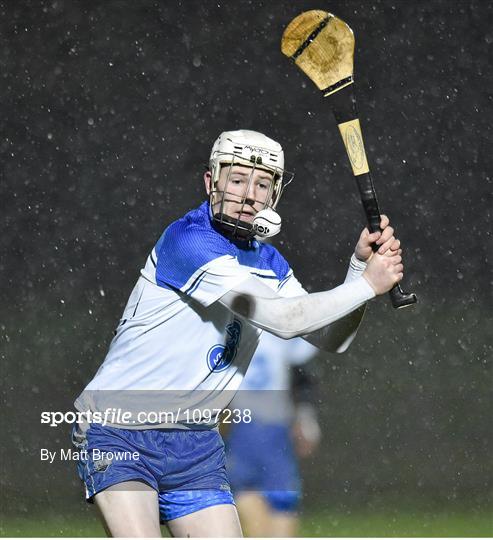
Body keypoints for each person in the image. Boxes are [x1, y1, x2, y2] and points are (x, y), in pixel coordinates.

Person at [72, 129, 404, 538]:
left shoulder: (270, 262)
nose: (249, 194)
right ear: (211, 182)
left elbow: (333, 338)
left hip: (196, 442)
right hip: (120, 425)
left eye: (262, 183)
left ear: (273, 196)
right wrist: (367, 286)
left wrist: (357, 270)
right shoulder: (188, 240)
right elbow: (283, 319)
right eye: (237, 179)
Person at [224, 332, 322, 537]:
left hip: (251, 428)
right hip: (262, 428)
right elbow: (303, 375)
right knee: (279, 506)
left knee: (256, 500)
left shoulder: (228, 327)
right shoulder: (281, 326)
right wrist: (306, 417)